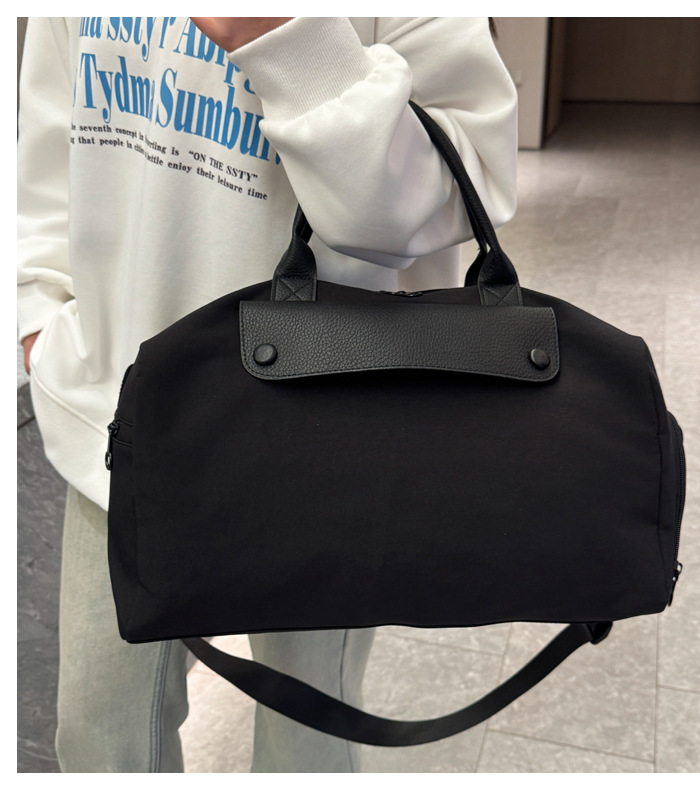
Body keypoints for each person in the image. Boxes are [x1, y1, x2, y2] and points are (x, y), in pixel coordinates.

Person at [17, 16, 518, 772]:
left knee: (308, 739)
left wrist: (290, 42)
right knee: (101, 740)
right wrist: (37, 309)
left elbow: (443, 199)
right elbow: (52, 144)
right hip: (115, 415)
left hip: (331, 434)